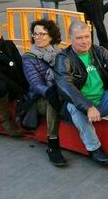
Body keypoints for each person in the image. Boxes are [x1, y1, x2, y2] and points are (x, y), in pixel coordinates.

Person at [54, 20, 108, 165]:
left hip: (102, 101)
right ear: (70, 39)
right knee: (73, 105)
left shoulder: (99, 51)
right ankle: (94, 148)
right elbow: (64, 85)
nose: (84, 41)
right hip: (81, 108)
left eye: (87, 36)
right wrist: (88, 106)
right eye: (79, 38)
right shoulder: (64, 58)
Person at [22, 19, 66, 166]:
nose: (38, 37)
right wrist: (49, 92)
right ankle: (53, 145)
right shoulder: (29, 58)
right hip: (39, 98)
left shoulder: (59, 53)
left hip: (61, 91)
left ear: (51, 36)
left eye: (43, 34)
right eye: (35, 34)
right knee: (52, 101)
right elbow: (35, 84)